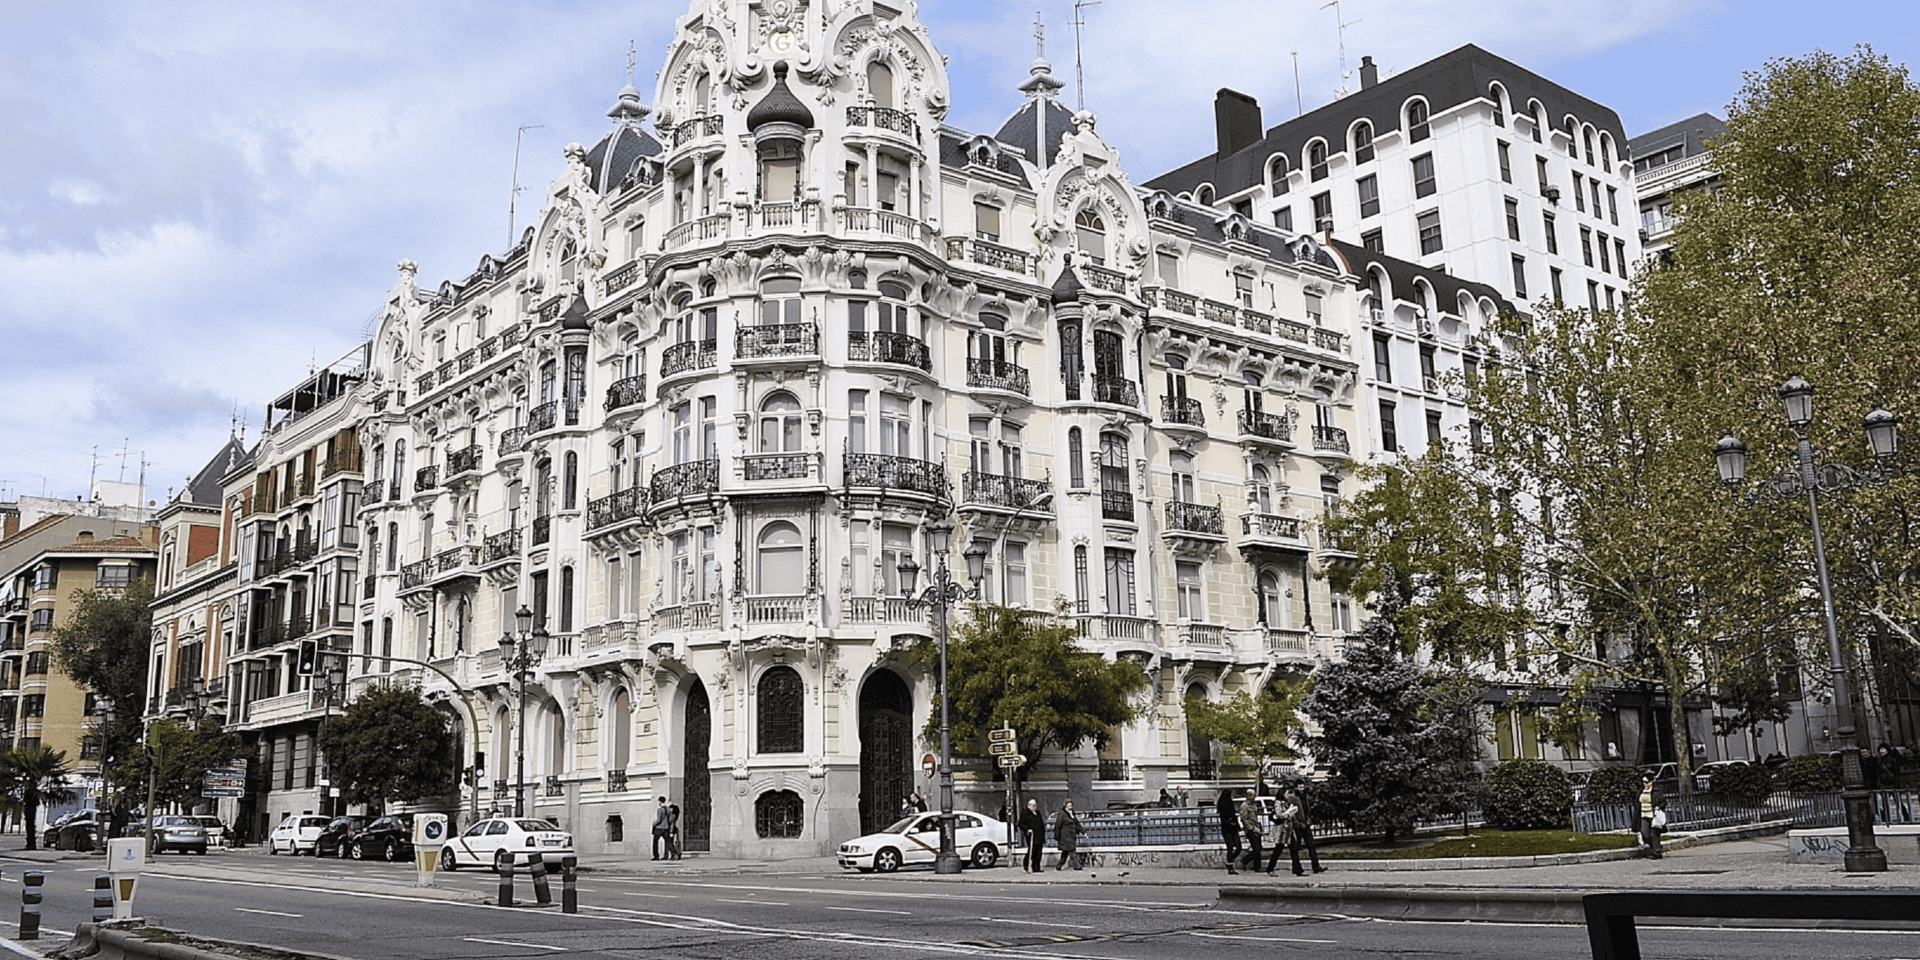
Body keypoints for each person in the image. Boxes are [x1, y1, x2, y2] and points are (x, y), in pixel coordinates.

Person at [1268, 787, 1323, 876]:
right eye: (1287, 793)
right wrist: (1289, 812)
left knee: (1294, 848)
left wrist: (1292, 813)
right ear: (1283, 794)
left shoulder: (1286, 803)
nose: (1289, 795)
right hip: (1282, 830)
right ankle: (1270, 868)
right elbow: (1280, 815)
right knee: (1278, 849)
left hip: (1288, 829)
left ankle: (1298, 869)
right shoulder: (1278, 803)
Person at [1238, 788, 1265, 873]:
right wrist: (1250, 828)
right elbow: (1243, 818)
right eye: (1254, 795)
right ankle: (1249, 862)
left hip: (1256, 827)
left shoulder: (1252, 805)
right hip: (1251, 829)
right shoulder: (1245, 806)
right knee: (1256, 848)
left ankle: (1256, 865)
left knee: (1259, 848)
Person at [1052, 800, 1084, 870]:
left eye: (1071, 805)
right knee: (1071, 851)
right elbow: (1058, 825)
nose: (1070, 806)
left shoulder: (1072, 814)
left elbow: (1077, 824)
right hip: (1065, 836)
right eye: (1069, 805)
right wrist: (1057, 836)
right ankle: (1077, 866)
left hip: (1071, 836)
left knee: (1065, 853)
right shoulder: (1062, 814)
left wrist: (1083, 831)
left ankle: (1058, 866)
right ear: (1065, 805)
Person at [1018, 799, 1047, 874]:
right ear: (1029, 805)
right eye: (1034, 805)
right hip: (1031, 835)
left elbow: (1041, 822)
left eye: (1036, 805)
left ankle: (1037, 867)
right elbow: (1021, 824)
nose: (1035, 807)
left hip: (1039, 835)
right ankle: (1027, 865)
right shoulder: (1025, 813)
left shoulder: (1037, 813)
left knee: (1039, 852)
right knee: (1032, 851)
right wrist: (1027, 829)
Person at [1216, 789, 1242, 875]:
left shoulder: (1231, 804)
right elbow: (1223, 818)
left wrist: (1238, 826)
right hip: (1227, 829)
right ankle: (1230, 867)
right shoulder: (1223, 806)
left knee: (1239, 847)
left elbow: (1234, 816)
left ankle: (1230, 860)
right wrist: (1229, 821)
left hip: (1234, 829)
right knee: (1230, 847)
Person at [651, 796, 672, 861]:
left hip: (659, 828)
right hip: (666, 828)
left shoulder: (660, 810)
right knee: (667, 841)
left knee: (655, 842)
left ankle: (656, 856)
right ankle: (666, 855)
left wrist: (654, 824)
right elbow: (670, 819)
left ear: (660, 801)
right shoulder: (668, 810)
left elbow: (658, 820)